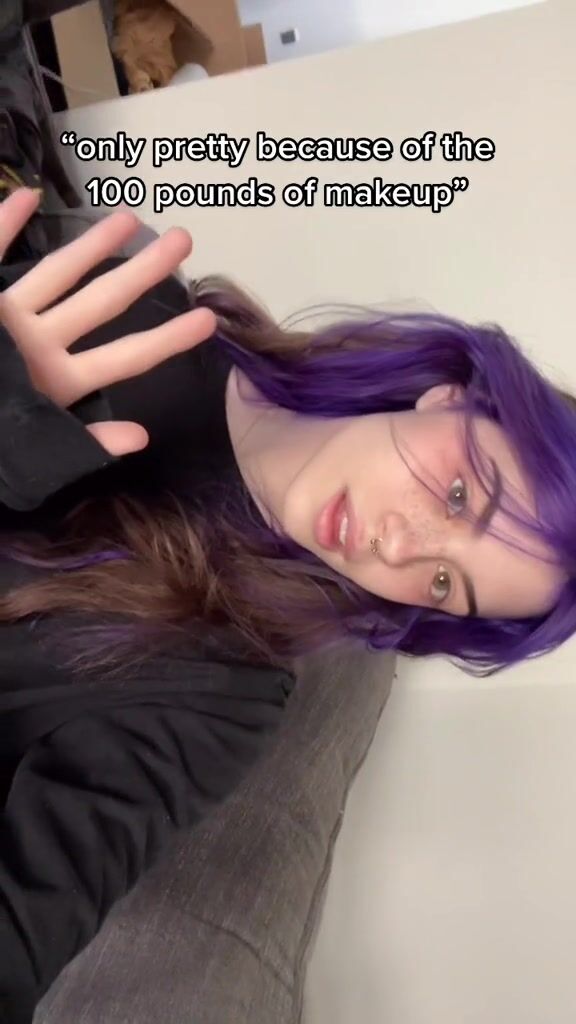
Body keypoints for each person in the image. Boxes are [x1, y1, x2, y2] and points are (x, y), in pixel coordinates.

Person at [0, 186, 573, 1020]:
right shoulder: (140, 310)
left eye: (445, 584)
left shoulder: (220, 695)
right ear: (451, 394)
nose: (398, 549)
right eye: (459, 494)